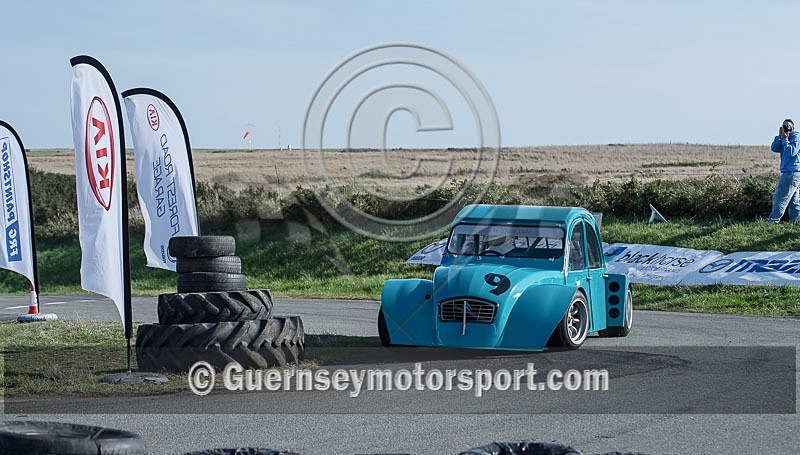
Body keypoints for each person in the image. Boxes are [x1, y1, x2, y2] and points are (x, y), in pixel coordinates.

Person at [768, 119, 800, 223]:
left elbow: (791, 152)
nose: (787, 129)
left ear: (793, 128)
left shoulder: (796, 136)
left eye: (788, 127)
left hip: (792, 172)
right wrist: (779, 136)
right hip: (791, 172)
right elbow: (774, 148)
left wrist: (786, 140)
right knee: (794, 201)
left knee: (780, 197)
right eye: (785, 126)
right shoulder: (783, 137)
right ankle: (796, 222)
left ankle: (773, 221)